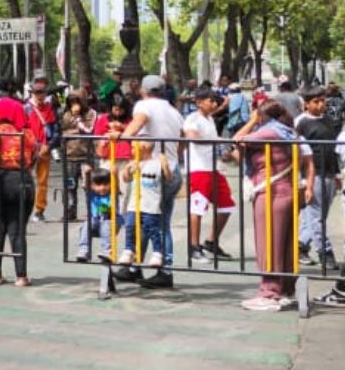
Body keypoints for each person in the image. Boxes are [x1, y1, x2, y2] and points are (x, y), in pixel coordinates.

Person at [107, 74, 184, 289]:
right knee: (151, 219)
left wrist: (122, 137)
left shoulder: (145, 105)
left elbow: (139, 121)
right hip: (170, 167)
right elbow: (182, 139)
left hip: (152, 171)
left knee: (152, 221)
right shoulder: (173, 111)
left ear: (143, 90)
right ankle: (134, 267)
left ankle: (164, 270)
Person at [233, 101, 310, 311]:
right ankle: (285, 289)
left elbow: (237, 140)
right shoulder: (288, 131)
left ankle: (269, 293)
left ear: (261, 114)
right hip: (287, 190)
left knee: (268, 243)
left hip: (272, 193)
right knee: (284, 245)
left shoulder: (269, 132)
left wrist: (251, 122)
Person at [0, 96, 37, 286]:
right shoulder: (26, 134)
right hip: (19, 181)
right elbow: (32, 160)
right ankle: (21, 276)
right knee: (17, 230)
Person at [183, 89, 235, 262]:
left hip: (214, 168)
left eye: (215, 101)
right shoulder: (192, 119)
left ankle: (211, 241)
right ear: (199, 102)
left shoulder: (210, 119)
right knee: (197, 208)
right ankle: (194, 246)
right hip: (198, 169)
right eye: (210, 101)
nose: (214, 104)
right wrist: (216, 141)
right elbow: (192, 137)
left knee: (226, 206)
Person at [295, 86, 339, 270]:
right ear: (306, 104)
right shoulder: (301, 122)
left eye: (323, 101)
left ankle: (301, 245)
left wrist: (337, 173)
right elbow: (297, 150)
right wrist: (304, 179)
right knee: (316, 216)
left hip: (329, 173)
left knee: (316, 215)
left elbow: (333, 148)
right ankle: (325, 252)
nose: (321, 105)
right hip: (312, 175)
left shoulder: (329, 120)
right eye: (316, 101)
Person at [116, 141, 173, 269]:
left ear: (144, 148)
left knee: (152, 229)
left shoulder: (157, 163)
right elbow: (126, 179)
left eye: (133, 148)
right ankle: (129, 250)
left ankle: (158, 253)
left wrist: (165, 165)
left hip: (151, 206)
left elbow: (169, 178)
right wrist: (127, 168)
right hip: (134, 205)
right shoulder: (135, 163)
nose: (131, 151)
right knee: (130, 226)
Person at [60, 92, 97, 224]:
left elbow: (89, 130)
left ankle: (92, 211)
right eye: (71, 103)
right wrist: (73, 128)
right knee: (70, 185)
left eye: (77, 102)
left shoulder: (91, 113)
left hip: (85, 155)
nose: (74, 105)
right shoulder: (66, 114)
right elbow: (62, 131)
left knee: (88, 185)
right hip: (70, 155)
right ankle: (70, 211)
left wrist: (78, 119)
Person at [25, 77, 58, 223]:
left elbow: (56, 130)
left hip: (45, 149)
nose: (40, 95)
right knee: (24, 179)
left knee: (42, 181)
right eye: (37, 92)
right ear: (32, 92)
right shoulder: (25, 108)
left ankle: (39, 210)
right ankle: (24, 207)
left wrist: (49, 146)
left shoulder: (50, 109)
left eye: (42, 92)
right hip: (28, 149)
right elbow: (21, 128)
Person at [75, 168, 114, 262]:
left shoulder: (112, 194)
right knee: (86, 225)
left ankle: (107, 252)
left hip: (108, 220)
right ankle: (84, 250)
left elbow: (115, 187)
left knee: (106, 226)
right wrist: (87, 174)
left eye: (105, 184)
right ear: (92, 186)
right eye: (98, 185)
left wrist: (115, 175)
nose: (102, 187)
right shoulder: (91, 193)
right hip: (95, 220)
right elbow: (86, 185)